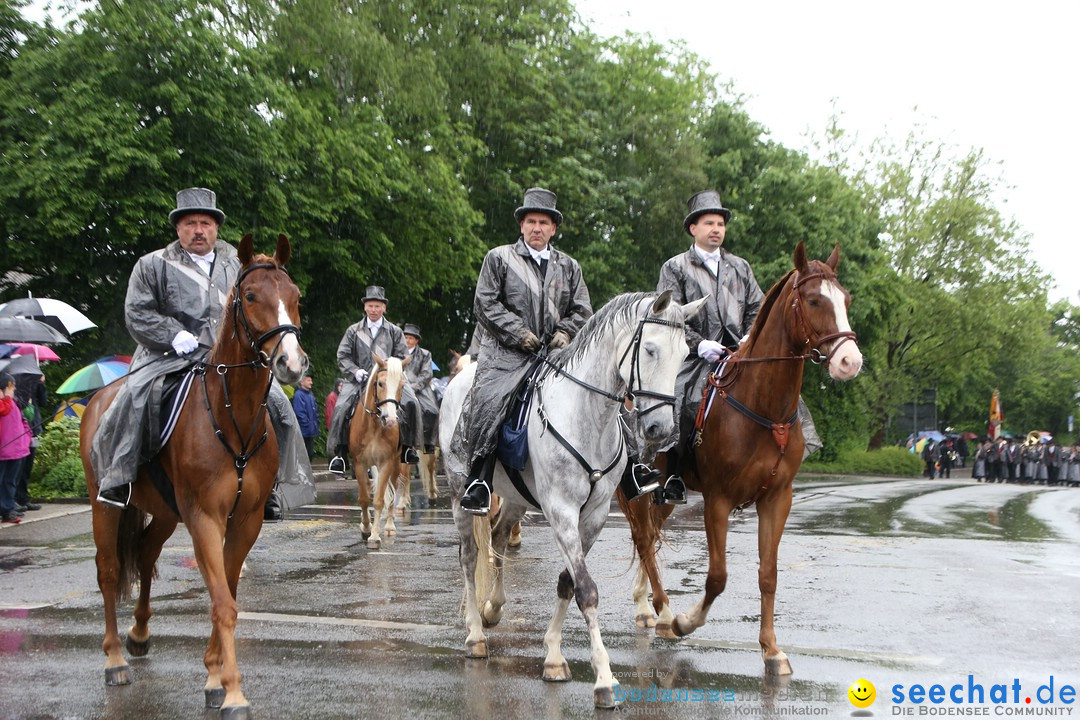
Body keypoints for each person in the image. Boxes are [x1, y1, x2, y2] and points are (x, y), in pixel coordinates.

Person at [90, 187, 315, 516]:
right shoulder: (152, 265)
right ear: (178, 228)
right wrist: (172, 334)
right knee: (134, 396)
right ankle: (119, 477)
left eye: (205, 223)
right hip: (166, 355)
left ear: (216, 227)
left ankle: (273, 484)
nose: (198, 230)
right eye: (190, 223)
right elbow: (137, 314)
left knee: (279, 404)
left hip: (226, 357)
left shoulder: (238, 264)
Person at [456, 187, 593, 515]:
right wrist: (519, 334)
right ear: (521, 225)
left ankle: (626, 468)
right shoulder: (499, 258)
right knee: (489, 400)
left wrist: (565, 331)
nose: (537, 227)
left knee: (601, 393)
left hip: (555, 352)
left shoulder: (569, 266)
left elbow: (583, 308)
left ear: (553, 229)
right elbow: (484, 303)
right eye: (531, 221)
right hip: (507, 353)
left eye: (544, 222)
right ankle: (480, 479)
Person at [655, 190, 781, 504]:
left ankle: (771, 468)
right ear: (693, 229)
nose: (716, 229)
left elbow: (758, 307)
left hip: (740, 355)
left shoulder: (740, 266)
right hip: (692, 356)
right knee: (681, 401)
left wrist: (750, 338)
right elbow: (669, 315)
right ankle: (674, 474)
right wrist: (699, 345)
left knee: (781, 398)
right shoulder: (675, 267)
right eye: (709, 222)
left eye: (720, 223)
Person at [326, 286, 422, 475]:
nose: (374, 310)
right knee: (340, 407)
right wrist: (355, 371)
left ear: (384, 308)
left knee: (413, 402)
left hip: (389, 380)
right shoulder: (353, 330)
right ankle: (340, 453)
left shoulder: (394, 331)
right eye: (370, 306)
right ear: (365, 307)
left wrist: (391, 369)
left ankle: (410, 448)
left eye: (378, 306)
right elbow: (342, 355)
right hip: (359, 380)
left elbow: (403, 355)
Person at [402, 324, 439, 454]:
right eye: (405, 337)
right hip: (400, 386)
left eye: (410, 338)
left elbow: (427, 373)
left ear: (417, 340)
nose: (407, 340)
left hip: (420, 388)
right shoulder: (397, 352)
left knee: (432, 411)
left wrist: (414, 386)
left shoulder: (425, 354)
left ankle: (429, 442)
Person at [0, 372, 30, 523]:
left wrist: (27, 436)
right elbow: (3, 411)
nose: (14, 389)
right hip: (3, 450)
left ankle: (7, 509)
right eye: (11, 386)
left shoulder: (13, 402)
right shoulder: (4, 402)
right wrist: (5, 398)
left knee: (10, 482)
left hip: (16, 450)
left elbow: (23, 420)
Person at [14, 372, 46, 512]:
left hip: (33, 428)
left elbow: (43, 402)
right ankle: (13, 500)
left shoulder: (34, 382)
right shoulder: (13, 382)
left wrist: (40, 384)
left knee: (27, 467)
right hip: (18, 431)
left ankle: (23, 498)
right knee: (17, 468)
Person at [292, 370, 319, 460]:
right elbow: (300, 413)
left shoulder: (311, 395)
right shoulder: (298, 395)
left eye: (311, 380)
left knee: (310, 454)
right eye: (308, 380)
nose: (311, 382)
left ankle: (307, 472)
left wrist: (315, 424)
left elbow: (315, 412)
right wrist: (307, 425)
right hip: (303, 432)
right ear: (301, 382)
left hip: (310, 431)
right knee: (303, 455)